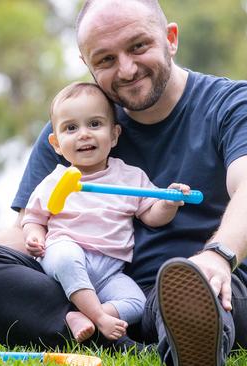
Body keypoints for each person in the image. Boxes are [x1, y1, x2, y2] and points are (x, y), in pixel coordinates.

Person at [0, 0, 247, 364]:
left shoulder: (236, 104)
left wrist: (217, 257)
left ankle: (183, 333)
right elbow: (32, 232)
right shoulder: (72, 128)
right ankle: (112, 338)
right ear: (87, 65)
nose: (127, 68)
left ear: (171, 38)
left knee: (194, 291)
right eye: (105, 59)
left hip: (208, 283)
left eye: (138, 46)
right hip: (90, 290)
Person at [23, 81, 190, 343]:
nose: (84, 134)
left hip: (110, 270)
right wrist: (34, 236)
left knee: (137, 303)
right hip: (64, 252)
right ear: (56, 143)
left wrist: (168, 203)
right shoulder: (55, 180)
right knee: (67, 257)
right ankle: (100, 319)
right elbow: (33, 218)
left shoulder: (130, 178)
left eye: (94, 124)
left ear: (114, 135)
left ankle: (81, 315)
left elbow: (151, 216)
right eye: (71, 128)